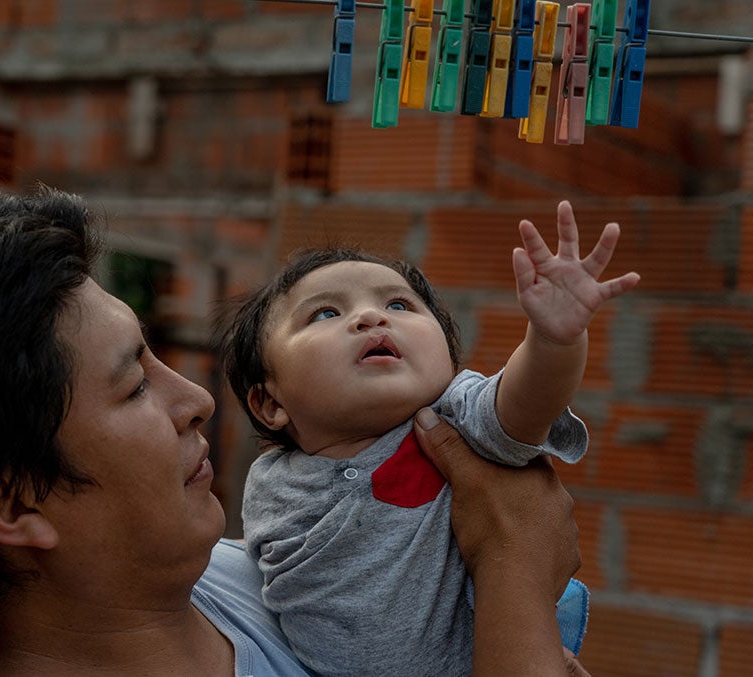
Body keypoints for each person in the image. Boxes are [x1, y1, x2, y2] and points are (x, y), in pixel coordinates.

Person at [0, 186, 589, 676]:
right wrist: (514, 564)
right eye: (134, 384)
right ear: (16, 503)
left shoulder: (267, 579)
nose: (197, 397)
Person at [220, 201, 639, 676]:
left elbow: (526, 405)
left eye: (398, 305)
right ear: (270, 403)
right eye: (325, 313)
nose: (372, 318)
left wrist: (554, 341)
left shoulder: (456, 416)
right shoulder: (269, 482)